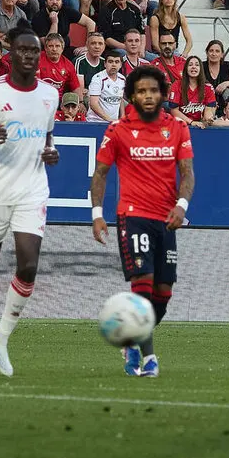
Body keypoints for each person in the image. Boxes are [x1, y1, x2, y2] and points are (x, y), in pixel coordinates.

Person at [0, 26, 60, 378]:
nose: (30, 56)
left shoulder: (50, 95)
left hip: (32, 189)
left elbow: (48, 135)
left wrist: (51, 152)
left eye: (35, 51)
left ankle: (0, 340)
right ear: (11, 53)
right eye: (23, 50)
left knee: (29, 266)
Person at [91, 65, 195, 378]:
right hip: (132, 215)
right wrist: (97, 215)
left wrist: (181, 205)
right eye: (141, 91)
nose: (148, 96)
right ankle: (148, 358)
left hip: (167, 219)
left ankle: (133, 340)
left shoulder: (177, 128)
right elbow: (100, 173)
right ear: (132, 96)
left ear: (162, 94)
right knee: (144, 285)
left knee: (164, 293)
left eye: (153, 90)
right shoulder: (118, 130)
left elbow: (187, 173)